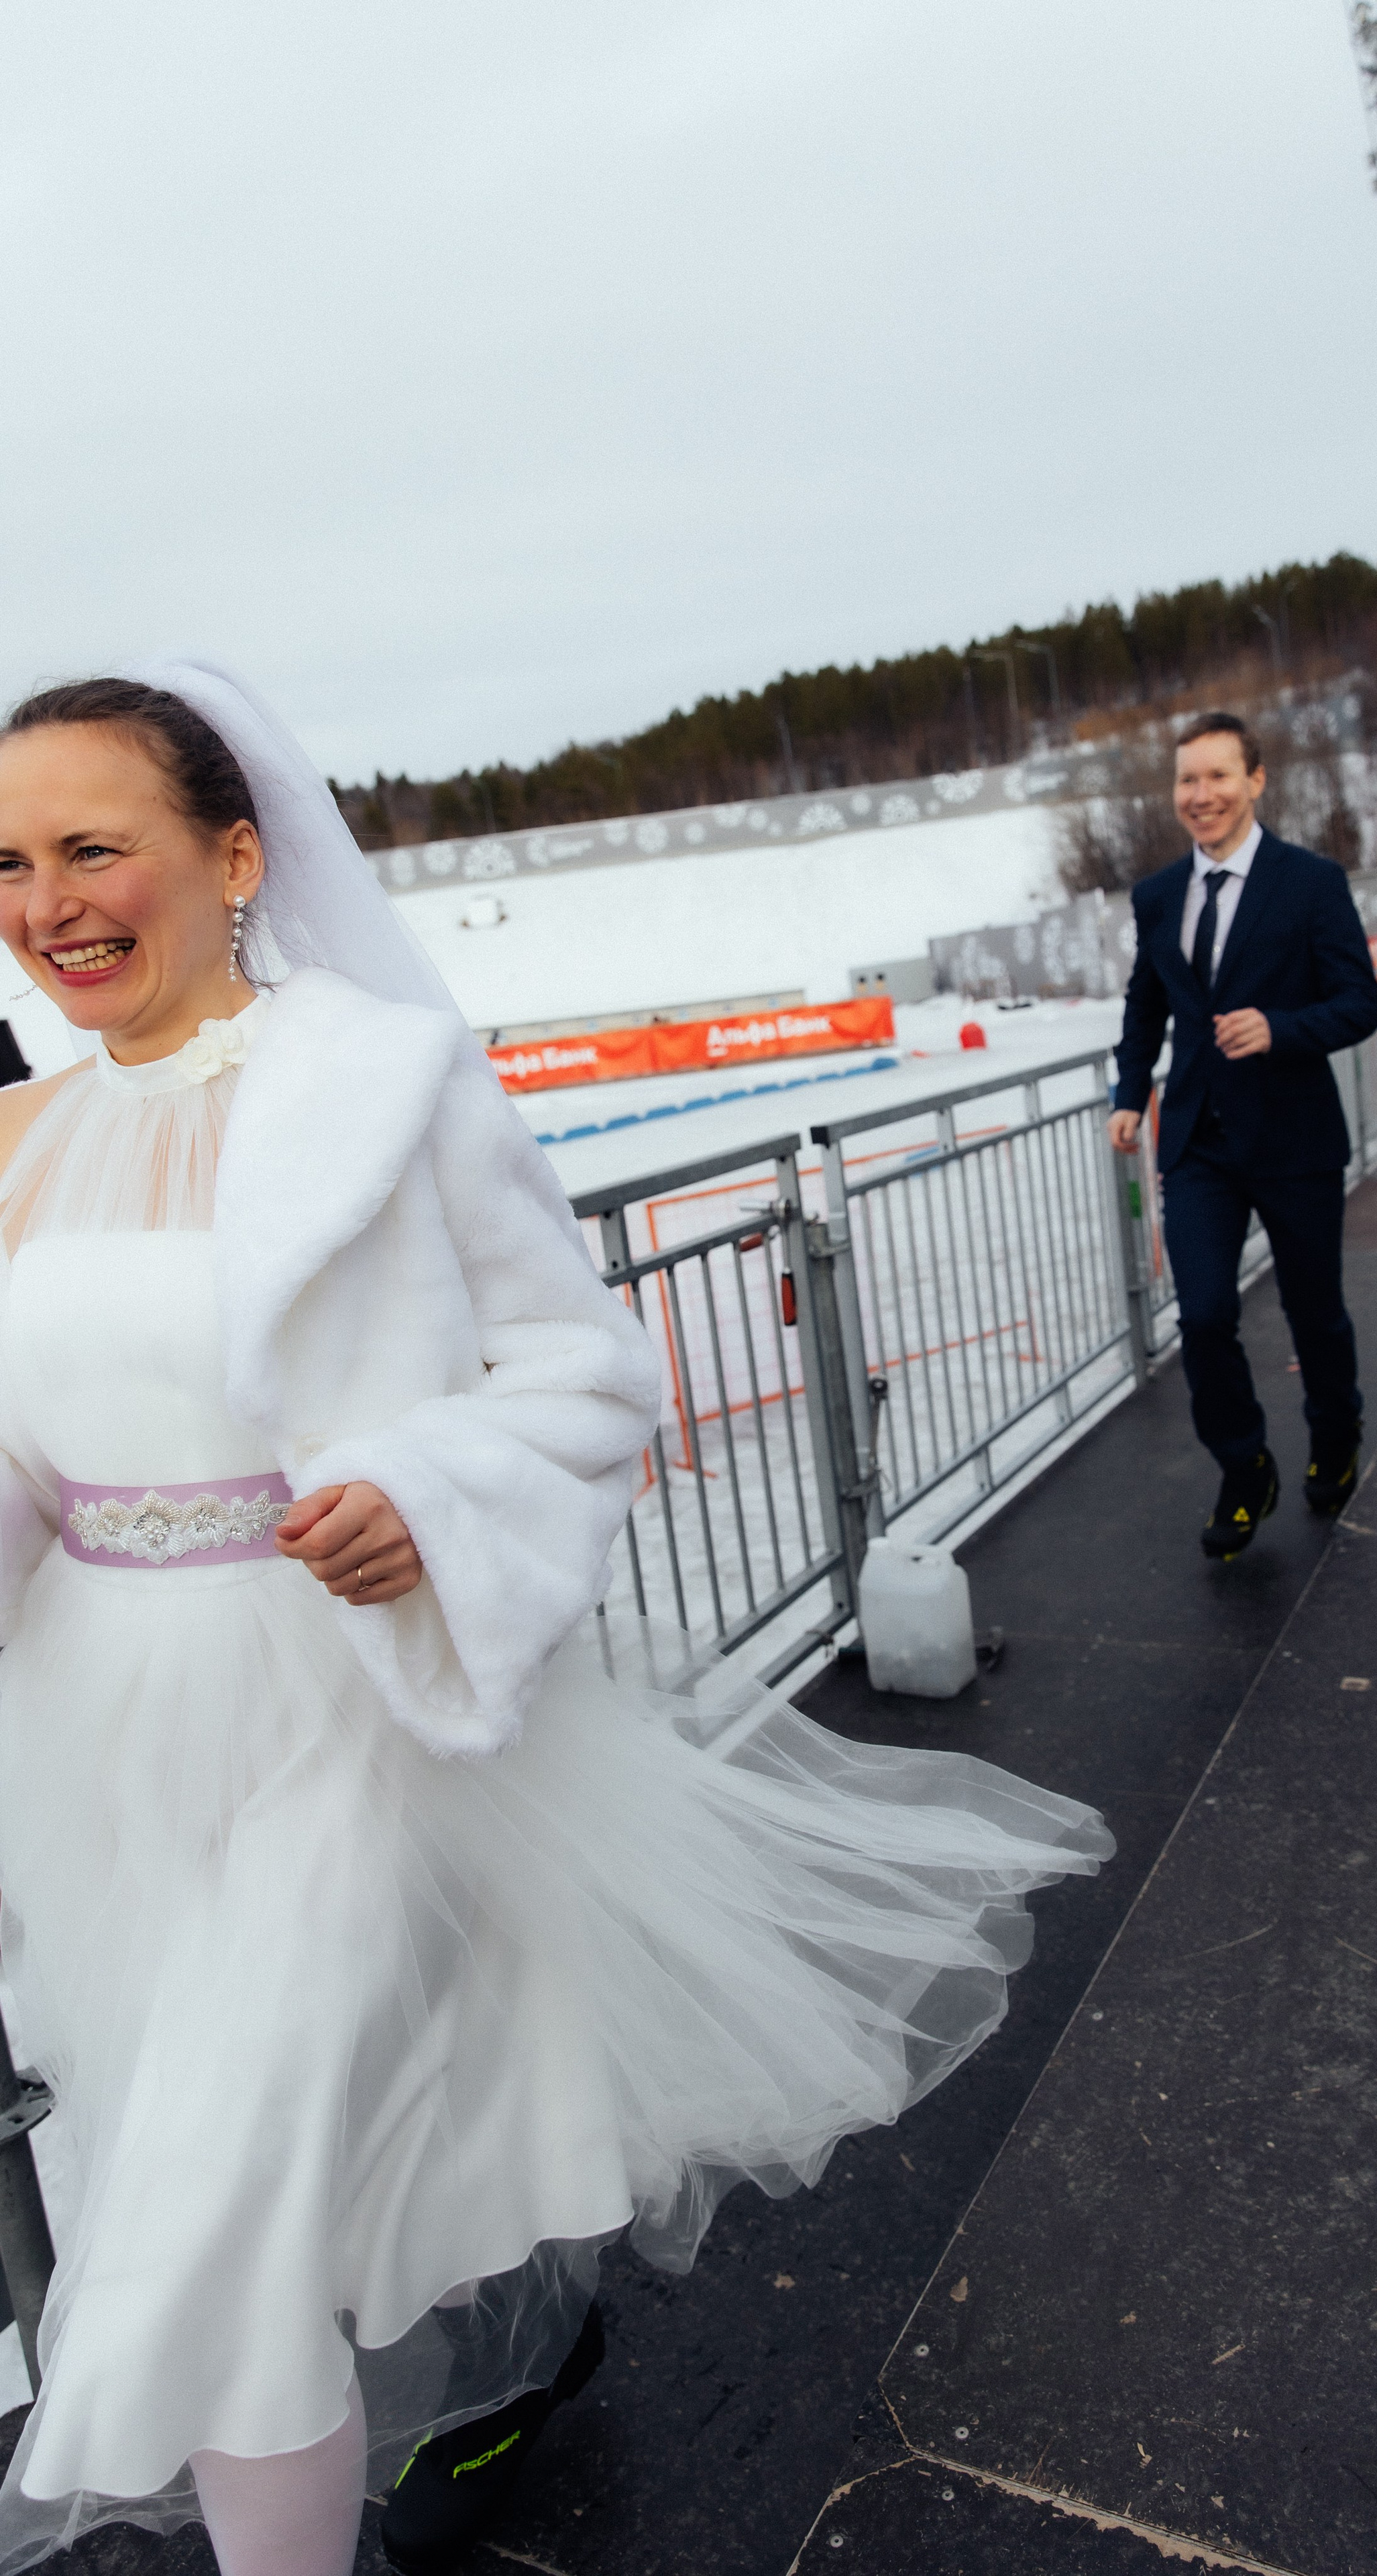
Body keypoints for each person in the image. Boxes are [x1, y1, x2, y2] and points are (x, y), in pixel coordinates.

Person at [0, 665, 1112, 2576]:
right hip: (105, 1746)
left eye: (94, 846)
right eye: (9, 864)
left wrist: (428, 1502)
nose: (47, 904)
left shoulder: (379, 1089)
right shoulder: (18, 1149)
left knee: (215, 2223)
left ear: (236, 855)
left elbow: (586, 1378)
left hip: (340, 1721)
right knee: (229, 2204)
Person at [1107, 713, 1377, 1559]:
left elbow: (1359, 1004)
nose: (1201, 796)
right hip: (1198, 1142)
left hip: (1293, 1137)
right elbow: (1145, 1003)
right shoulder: (1157, 896)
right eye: (1188, 780)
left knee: (1314, 1316)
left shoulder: (1309, 883)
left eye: (1218, 777)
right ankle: (1243, 1465)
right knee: (1202, 1316)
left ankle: (1334, 1436)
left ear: (1256, 780)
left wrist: (1280, 1029)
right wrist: (1129, 1092)